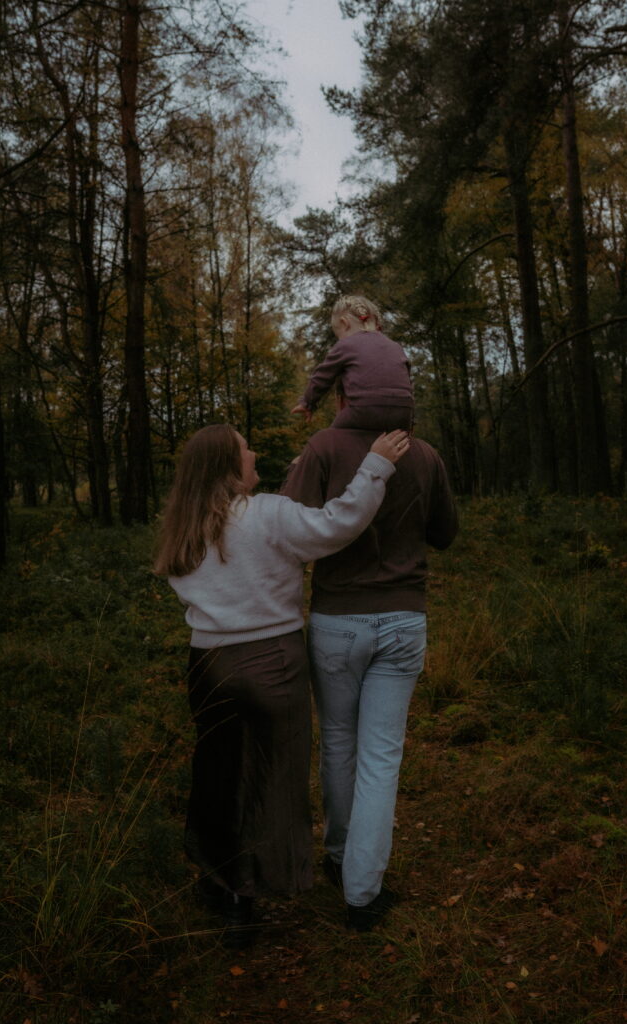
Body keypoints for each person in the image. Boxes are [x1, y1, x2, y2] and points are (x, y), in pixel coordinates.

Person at [153, 422, 410, 948]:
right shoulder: (268, 513)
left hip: (208, 664)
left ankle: (222, 885)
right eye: (246, 450)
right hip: (273, 661)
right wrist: (375, 465)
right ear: (228, 467)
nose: (255, 454)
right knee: (271, 780)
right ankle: (254, 893)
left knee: (219, 772)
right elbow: (337, 525)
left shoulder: (183, 526)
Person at [281, 393, 458, 931]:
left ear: (343, 395)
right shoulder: (423, 453)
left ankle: (338, 857)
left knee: (338, 739)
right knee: (381, 757)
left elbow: (289, 528)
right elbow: (445, 535)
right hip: (403, 619)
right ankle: (362, 892)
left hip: (338, 620)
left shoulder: (324, 447)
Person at [291, 295, 414, 432]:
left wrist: (307, 403)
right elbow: (408, 385)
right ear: (377, 324)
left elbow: (322, 377)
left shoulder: (345, 345)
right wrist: (410, 422)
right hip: (403, 414)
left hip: (365, 409)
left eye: (338, 335)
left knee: (332, 437)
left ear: (345, 323)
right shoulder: (396, 347)